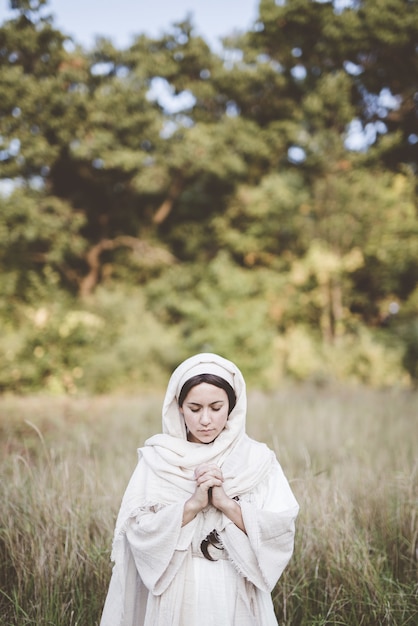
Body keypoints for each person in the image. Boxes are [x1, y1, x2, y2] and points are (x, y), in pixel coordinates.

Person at [100, 353, 299, 626]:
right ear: (179, 407)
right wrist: (192, 505)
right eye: (194, 408)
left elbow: (281, 529)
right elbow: (138, 531)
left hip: (236, 583)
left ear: (232, 406)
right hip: (176, 588)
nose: (205, 420)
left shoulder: (257, 460)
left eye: (216, 407)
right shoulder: (158, 460)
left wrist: (226, 503)